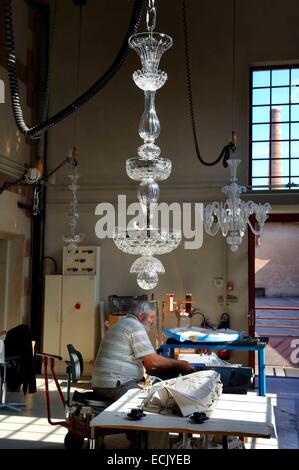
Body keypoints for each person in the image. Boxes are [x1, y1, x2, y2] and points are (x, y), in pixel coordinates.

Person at [92, 300, 194, 402]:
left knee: (153, 395)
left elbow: (148, 365)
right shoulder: (135, 326)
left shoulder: (123, 323)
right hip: (115, 383)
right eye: (151, 317)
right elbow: (152, 362)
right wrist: (179, 364)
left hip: (104, 382)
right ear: (141, 316)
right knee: (151, 403)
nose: (153, 322)